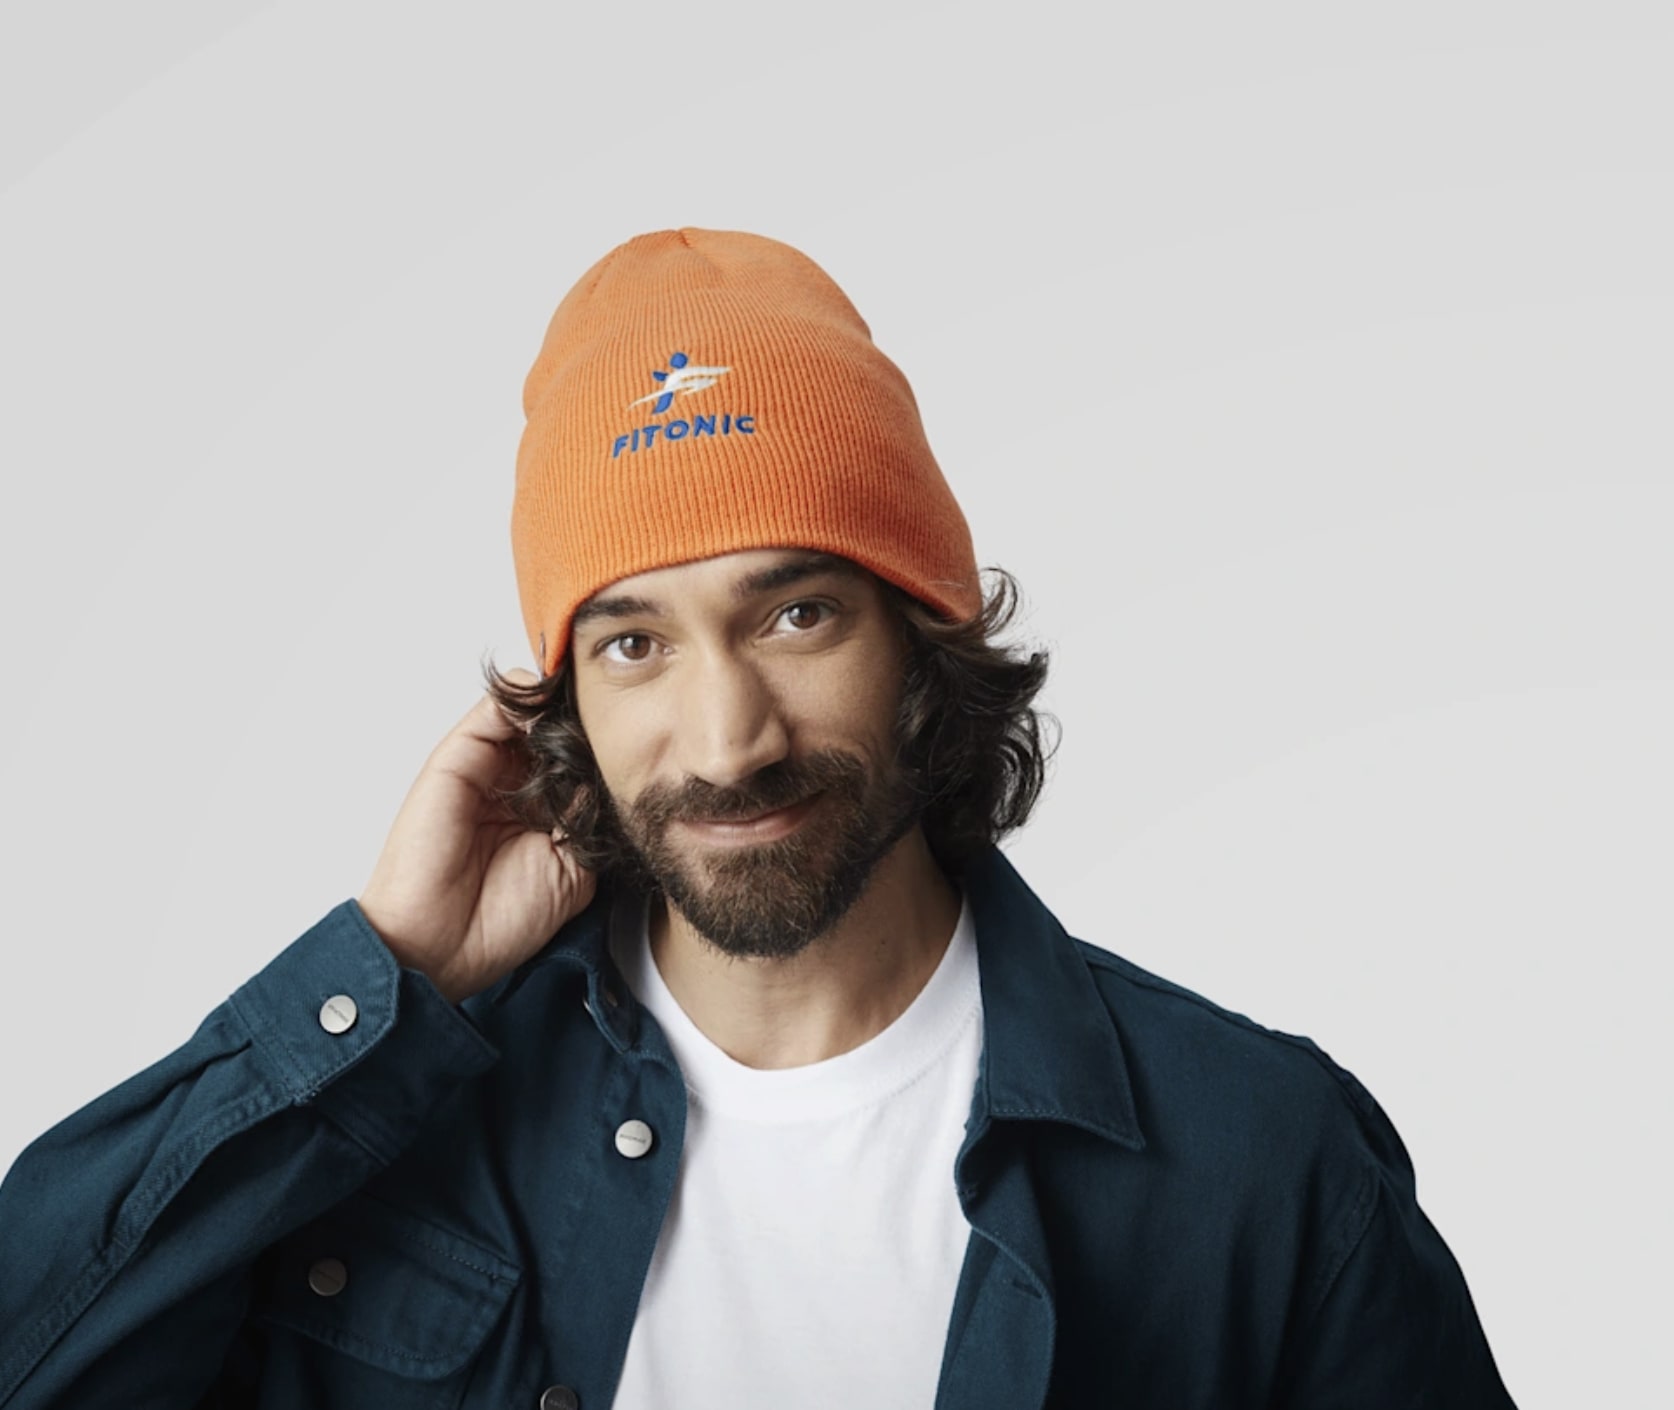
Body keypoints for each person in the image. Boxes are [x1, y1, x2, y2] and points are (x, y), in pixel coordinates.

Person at [0, 229, 1518, 1410]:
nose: (724, 738)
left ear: (920, 637)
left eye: (793, 610)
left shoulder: (1253, 1156)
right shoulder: (392, 1132)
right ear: (563, 704)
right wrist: (380, 979)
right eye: (633, 643)